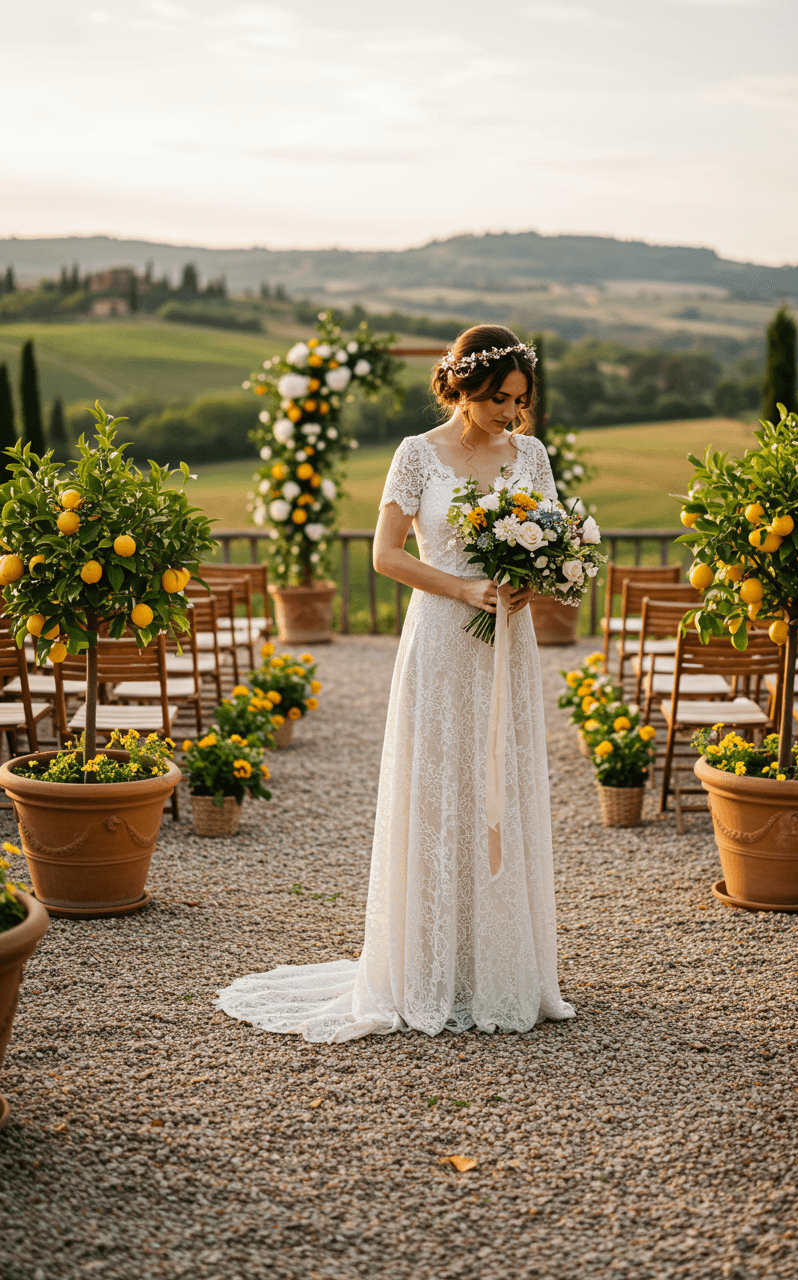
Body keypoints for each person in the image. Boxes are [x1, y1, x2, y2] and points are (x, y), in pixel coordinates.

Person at [216, 324, 575, 1041]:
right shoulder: (417, 455)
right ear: (465, 389)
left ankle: (501, 968)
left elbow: (554, 541)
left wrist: (533, 583)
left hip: (507, 639)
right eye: (500, 398)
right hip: (442, 639)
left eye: (520, 399)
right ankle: (426, 966)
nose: (512, 412)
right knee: (441, 789)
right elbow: (384, 555)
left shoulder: (530, 455)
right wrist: (461, 589)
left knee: (499, 782)